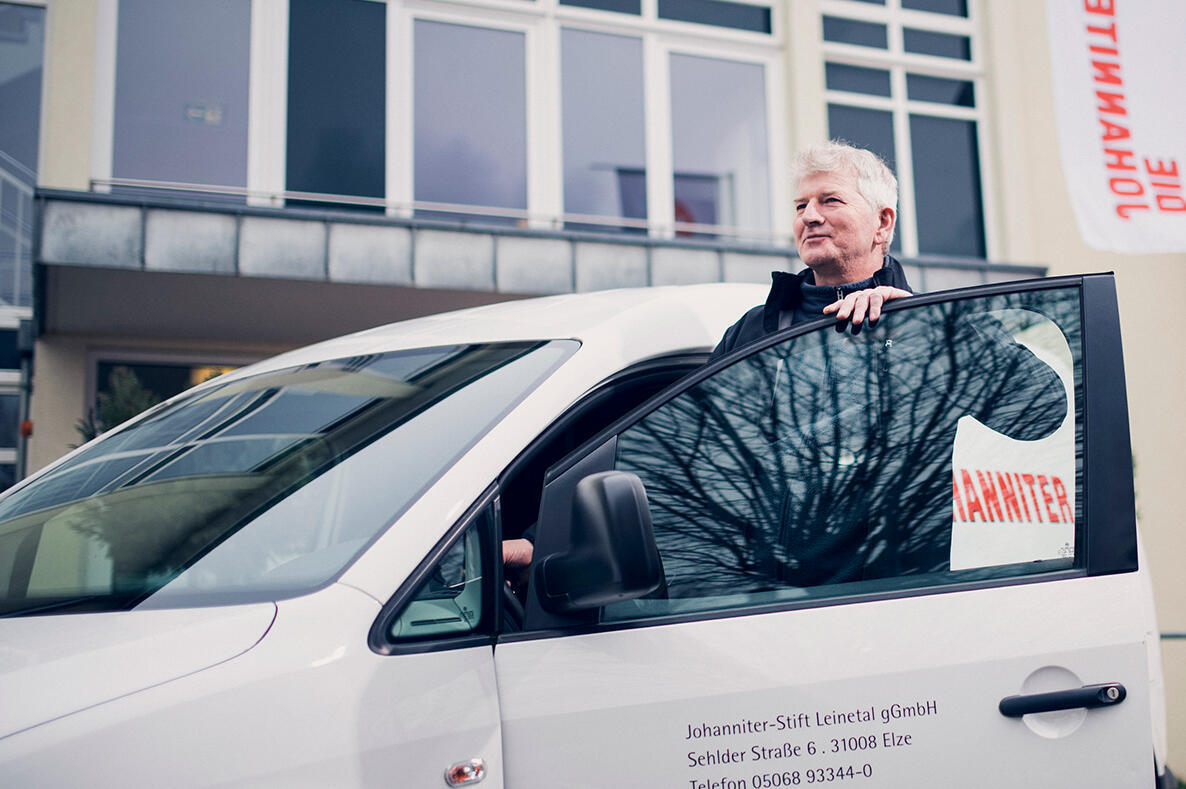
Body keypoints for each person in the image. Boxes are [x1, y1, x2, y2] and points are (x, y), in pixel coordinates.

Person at [709, 141, 912, 362]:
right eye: (801, 206)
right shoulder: (747, 333)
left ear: (882, 222)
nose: (809, 216)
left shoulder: (925, 326)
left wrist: (913, 325)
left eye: (831, 201)